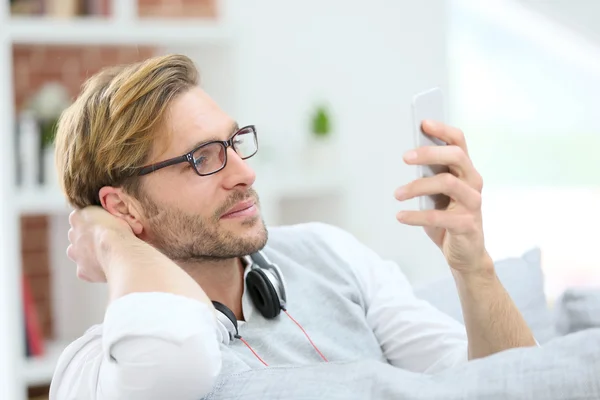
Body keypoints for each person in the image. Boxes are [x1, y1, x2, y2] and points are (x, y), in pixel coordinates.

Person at [49, 54, 536, 400]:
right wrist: (109, 239)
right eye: (203, 158)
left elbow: (508, 385)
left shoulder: (328, 253)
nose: (244, 172)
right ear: (123, 207)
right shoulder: (96, 369)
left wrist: (475, 268)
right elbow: (178, 363)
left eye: (235, 143)